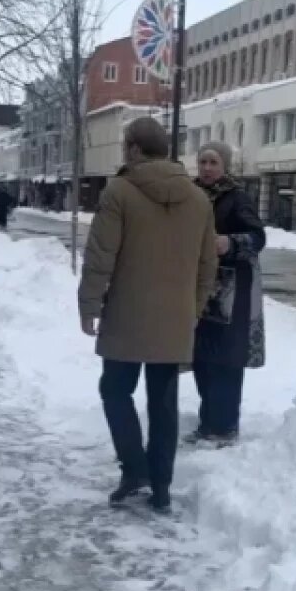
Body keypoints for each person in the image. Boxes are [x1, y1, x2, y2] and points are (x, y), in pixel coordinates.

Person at [78, 117, 216, 514]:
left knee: (115, 390)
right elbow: (208, 265)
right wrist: (194, 308)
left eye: (126, 145)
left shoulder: (119, 191)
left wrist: (89, 305)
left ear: (135, 149)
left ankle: (134, 468)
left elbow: (101, 255)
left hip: (125, 313)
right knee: (164, 401)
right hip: (175, 317)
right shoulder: (198, 199)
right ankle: (161, 485)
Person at [185, 142, 266, 447]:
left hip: (233, 292)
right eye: (203, 161)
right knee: (202, 356)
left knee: (227, 360)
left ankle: (225, 426)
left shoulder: (237, 197)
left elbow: (257, 237)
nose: (206, 168)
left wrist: (230, 243)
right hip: (200, 288)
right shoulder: (191, 195)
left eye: (213, 162)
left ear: (225, 166)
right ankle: (209, 421)